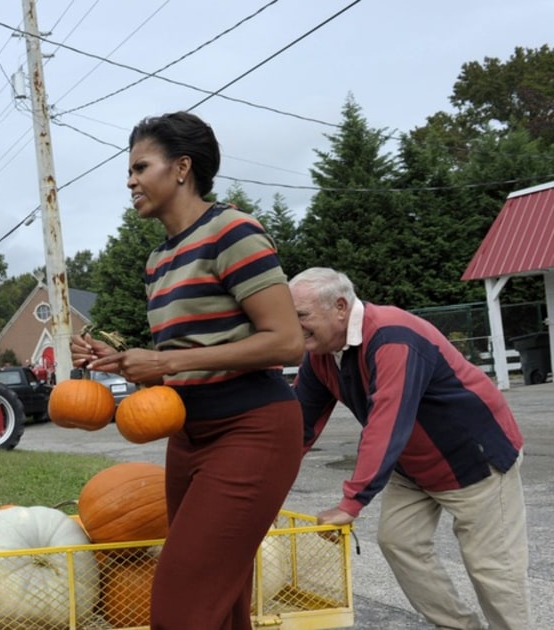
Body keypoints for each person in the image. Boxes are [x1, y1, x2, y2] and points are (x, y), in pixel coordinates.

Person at [69, 112, 305, 629]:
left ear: (181, 168)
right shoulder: (158, 260)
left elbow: (286, 343)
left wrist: (167, 360)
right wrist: (125, 364)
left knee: (179, 607)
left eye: (140, 166)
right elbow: (188, 360)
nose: (129, 180)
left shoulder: (232, 231)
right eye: (128, 170)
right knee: (219, 609)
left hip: (252, 429)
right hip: (189, 436)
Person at [288, 267, 529, 629]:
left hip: (475, 459)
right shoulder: (322, 355)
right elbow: (297, 429)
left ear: (339, 307)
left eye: (301, 316)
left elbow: (387, 423)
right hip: (413, 466)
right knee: (399, 542)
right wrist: (261, 489)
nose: (294, 327)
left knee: (492, 568)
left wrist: (351, 502)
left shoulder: (392, 336)